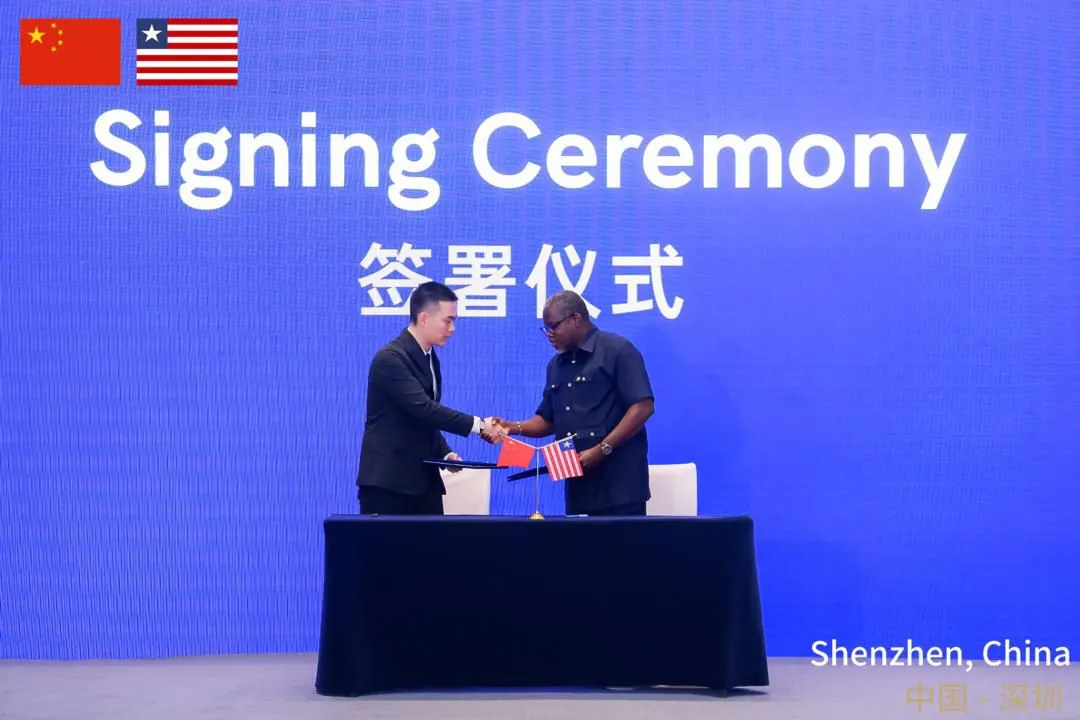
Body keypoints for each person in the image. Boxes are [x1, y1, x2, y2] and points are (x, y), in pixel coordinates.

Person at [489, 290, 655, 516]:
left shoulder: (617, 350)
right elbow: (547, 420)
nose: (549, 334)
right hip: (578, 487)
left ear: (576, 319)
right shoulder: (556, 366)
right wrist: (512, 426)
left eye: (553, 326)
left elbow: (643, 406)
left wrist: (602, 449)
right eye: (545, 329)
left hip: (620, 487)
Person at [356, 281, 496, 515]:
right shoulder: (390, 359)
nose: (452, 328)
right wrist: (480, 425)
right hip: (389, 485)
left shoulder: (430, 357)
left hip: (423, 482)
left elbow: (422, 420)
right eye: (448, 321)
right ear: (423, 318)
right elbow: (424, 408)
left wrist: (445, 453)